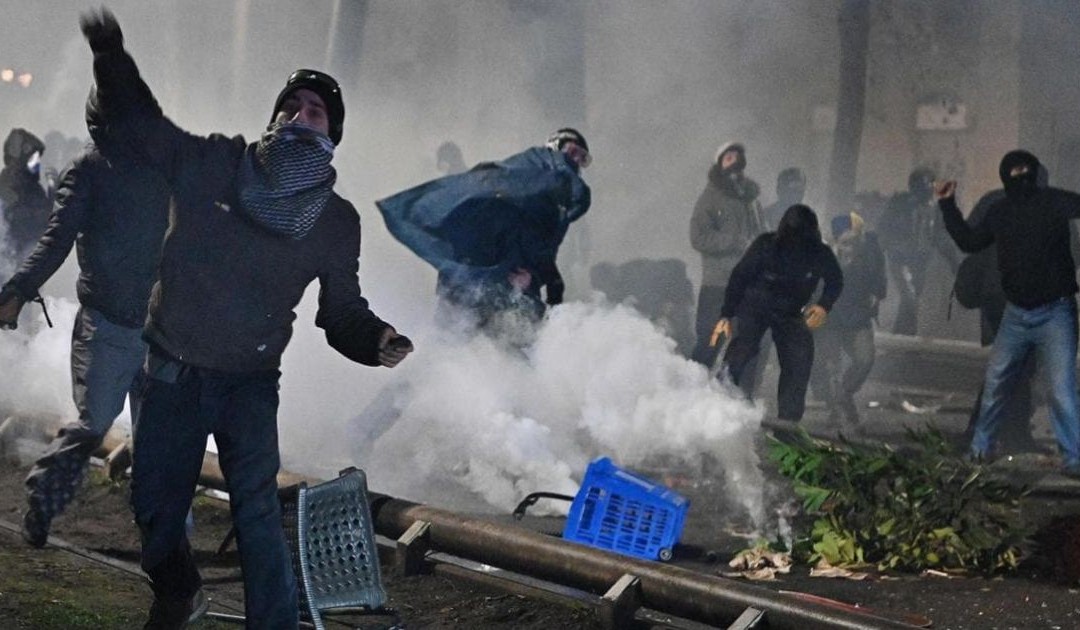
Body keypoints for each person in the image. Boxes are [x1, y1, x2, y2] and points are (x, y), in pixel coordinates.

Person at [80, 9, 414, 628]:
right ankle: (179, 591)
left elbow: (340, 310)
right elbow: (143, 130)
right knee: (155, 510)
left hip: (250, 384)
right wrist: (110, 57)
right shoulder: (215, 165)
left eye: (315, 112)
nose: (299, 117)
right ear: (273, 118)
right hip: (172, 370)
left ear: (332, 135)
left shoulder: (337, 221)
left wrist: (376, 339)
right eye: (291, 107)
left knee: (257, 514)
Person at [0, 98, 171, 550]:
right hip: (107, 327)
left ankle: (168, 541)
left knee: (159, 440)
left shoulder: (167, 170)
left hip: (161, 329)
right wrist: (18, 290)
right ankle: (43, 497)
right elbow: (55, 239)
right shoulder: (88, 172)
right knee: (93, 425)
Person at [935, 149, 1080, 474]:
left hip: (1054, 311)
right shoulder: (1002, 209)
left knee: (1060, 387)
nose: (1022, 179)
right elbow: (970, 242)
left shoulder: (1051, 202)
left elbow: (968, 241)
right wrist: (947, 206)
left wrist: (947, 207)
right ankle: (979, 450)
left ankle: (1074, 458)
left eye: (1024, 171)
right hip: (1017, 312)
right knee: (999, 380)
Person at [378, 128, 591, 337]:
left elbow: (541, 250)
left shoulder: (553, 204)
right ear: (555, 147)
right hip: (476, 280)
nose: (576, 162)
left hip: (500, 288)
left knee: (492, 350)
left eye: (583, 159)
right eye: (573, 152)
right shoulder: (537, 168)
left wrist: (535, 279)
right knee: (456, 345)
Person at [711, 204, 843, 422]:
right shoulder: (766, 245)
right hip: (756, 305)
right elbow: (740, 276)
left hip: (791, 310)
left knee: (798, 358)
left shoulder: (820, 252)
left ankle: (788, 424)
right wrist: (727, 314)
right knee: (742, 350)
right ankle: (719, 406)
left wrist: (823, 305)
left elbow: (835, 280)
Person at [689, 142, 764, 369]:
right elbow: (698, 237)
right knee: (710, 342)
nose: (734, 162)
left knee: (748, 343)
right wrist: (732, 242)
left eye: (737, 157)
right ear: (719, 162)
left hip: (748, 284)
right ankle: (694, 391)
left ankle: (737, 396)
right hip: (718, 285)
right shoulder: (709, 199)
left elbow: (762, 231)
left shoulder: (751, 198)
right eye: (728, 157)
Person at [811, 212, 886, 426]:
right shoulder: (823, 256)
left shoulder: (869, 255)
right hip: (830, 319)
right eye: (845, 241)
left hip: (857, 318)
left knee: (865, 359)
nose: (850, 247)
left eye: (854, 241)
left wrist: (876, 296)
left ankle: (844, 395)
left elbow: (880, 284)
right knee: (832, 365)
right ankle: (836, 412)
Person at [877, 167, 960, 335]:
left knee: (912, 299)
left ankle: (902, 336)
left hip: (920, 261)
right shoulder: (899, 204)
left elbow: (940, 238)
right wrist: (884, 250)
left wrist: (955, 263)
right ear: (913, 186)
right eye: (924, 184)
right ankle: (905, 336)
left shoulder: (936, 209)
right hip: (900, 258)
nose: (929, 188)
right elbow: (884, 228)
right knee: (909, 296)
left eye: (930, 183)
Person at [0, 128, 52, 264]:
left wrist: (54, 193)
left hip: (29, 255)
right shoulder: (8, 183)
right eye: (33, 158)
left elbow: (48, 217)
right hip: (12, 256)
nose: (37, 163)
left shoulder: (33, 187)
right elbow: (16, 219)